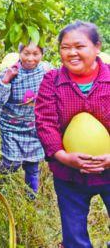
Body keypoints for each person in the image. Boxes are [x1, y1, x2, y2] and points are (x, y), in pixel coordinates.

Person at [35, 21, 110, 248]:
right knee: (74, 234)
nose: (72, 53)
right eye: (65, 47)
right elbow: (45, 122)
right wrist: (63, 156)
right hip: (69, 176)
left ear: (97, 47)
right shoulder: (52, 81)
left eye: (79, 46)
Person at [0, 43, 48, 197]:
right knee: (11, 163)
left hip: (34, 127)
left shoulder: (46, 71)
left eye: (35, 54)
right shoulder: (10, 72)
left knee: (32, 166)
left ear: (42, 54)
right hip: (11, 126)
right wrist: (7, 80)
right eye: (26, 53)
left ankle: (30, 199)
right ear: (19, 52)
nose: (30, 58)